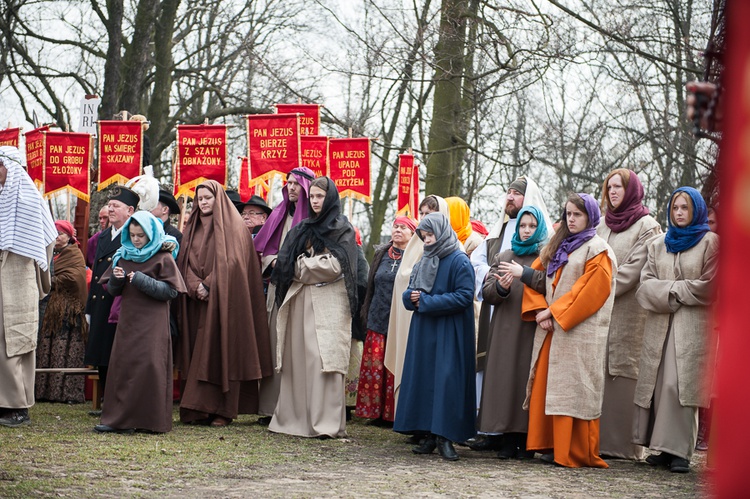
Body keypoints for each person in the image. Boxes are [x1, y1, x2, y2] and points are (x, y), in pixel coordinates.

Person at [520, 193, 616, 468]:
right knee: (547, 386)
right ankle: (548, 443)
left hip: (579, 332)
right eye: (568, 214)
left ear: (590, 217)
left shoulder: (599, 249)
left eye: (577, 214)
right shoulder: (558, 244)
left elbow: (591, 291)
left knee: (574, 389)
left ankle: (570, 450)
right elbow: (535, 278)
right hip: (551, 329)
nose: (571, 219)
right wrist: (541, 310)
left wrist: (554, 311)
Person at [633, 187, 718, 473]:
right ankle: (661, 448)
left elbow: (709, 287)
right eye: (675, 208)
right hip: (659, 325)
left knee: (681, 385)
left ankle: (680, 451)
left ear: (696, 210)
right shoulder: (658, 245)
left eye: (685, 208)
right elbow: (644, 288)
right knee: (658, 384)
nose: (679, 213)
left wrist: (668, 291)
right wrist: (680, 292)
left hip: (692, 327)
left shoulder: (710, 242)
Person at [176, 180, 272, 426]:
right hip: (195, 302)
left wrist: (209, 284)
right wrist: (194, 283)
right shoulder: (191, 226)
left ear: (218, 199)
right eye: (200, 198)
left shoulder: (235, 227)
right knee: (196, 353)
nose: (204, 202)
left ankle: (223, 410)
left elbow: (235, 262)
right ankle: (196, 409)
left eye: (208, 197)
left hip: (224, 302)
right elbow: (183, 260)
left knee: (221, 353)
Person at [269, 177, 359, 438]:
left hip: (330, 305)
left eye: (321, 196)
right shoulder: (301, 229)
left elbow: (334, 268)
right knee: (297, 360)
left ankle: (324, 423)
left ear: (330, 198)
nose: (316, 201)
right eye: (313, 197)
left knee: (323, 361)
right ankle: (293, 419)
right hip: (299, 303)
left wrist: (301, 266)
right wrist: (306, 265)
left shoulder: (343, 230)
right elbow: (284, 265)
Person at [469, 176, 553, 451]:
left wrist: (525, 274)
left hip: (529, 326)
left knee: (521, 376)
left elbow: (550, 284)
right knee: (500, 376)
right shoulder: (504, 254)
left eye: (531, 226)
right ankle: (498, 431)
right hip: (503, 324)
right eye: (523, 226)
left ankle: (521, 436)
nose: (526, 230)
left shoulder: (546, 256)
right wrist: (501, 288)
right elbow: (488, 289)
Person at [94, 212, 186, 433]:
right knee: (123, 365)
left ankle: (149, 421)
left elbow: (171, 291)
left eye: (140, 236)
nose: (136, 240)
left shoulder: (163, 257)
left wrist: (141, 279)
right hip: (128, 320)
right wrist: (116, 278)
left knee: (149, 367)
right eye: (133, 235)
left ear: (151, 234)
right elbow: (113, 290)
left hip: (153, 322)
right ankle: (118, 420)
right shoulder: (123, 255)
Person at [394, 213, 476, 461]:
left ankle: (446, 436)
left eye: (430, 236)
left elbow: (464, 296)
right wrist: (410, 298)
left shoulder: (459, 261)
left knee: (446, 382)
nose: (427, 241)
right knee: (427, 380)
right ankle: (428, 432)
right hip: (425, 331)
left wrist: (427, 301)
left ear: (441, 233)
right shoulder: (424, 260)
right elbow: (410, 292)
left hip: (449, 331)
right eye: (423, 236)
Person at [595, 169, 661, 460]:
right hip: (597, 313)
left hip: (627, 314)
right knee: (596, 371)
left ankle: (622, 446)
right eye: (609, 187)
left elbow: (633, 270)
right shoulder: (600, 225)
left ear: (632, 189)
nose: (613, 192)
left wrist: (592, 293)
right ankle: (592, 442)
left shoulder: (647, 226)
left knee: (622, 372)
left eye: (619, 186)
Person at [254, 167, 315, 423]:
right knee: (273, 342)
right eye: (288, 183)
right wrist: (274, 261)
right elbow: (262, 250)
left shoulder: (314, 219)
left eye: (296, 184)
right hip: (277, 286)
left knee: (295, 346)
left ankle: (294, 407)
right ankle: (270, 407)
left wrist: (293, 263)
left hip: (300, 286)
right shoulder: (278, 213)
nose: (290, 188)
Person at [0, 146, 56, 427]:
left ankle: (17, 405)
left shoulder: (31, 200)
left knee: (16, 340)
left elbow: (46, 244)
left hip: (19, 276)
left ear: (10, 168)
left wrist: (40, 282)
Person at [384, 195, 450, 418]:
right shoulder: (415, 244)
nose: (424, 218)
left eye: (430, 213)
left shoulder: (450, 247)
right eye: (422, 213)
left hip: (432, 315)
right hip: (408, 315)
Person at [355, 216, 416, 424]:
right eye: (395, 226)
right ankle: (374, 412)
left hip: (400, 318)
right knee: (375, 366)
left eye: (403, 228)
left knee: (393, 366)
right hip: (377, 316)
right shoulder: (381, 253)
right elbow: (371, 284)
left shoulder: (416, 256)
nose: (398, 230)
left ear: (412, 233)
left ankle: (393, 414)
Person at [84, 186, 139, 408]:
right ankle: (106, 399)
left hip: (119, 303)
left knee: (117, 353)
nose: (111, 209)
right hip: (100, 302)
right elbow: (96, 272)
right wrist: (89, 307)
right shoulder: (104, 235)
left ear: (130, 210)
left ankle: (117, 401)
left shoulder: (135, 235)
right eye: (110, 205)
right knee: (102, 353)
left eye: (116, 206)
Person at [35, 220, 88, 404]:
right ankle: (43, 390)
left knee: (64, 349)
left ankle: (66, 392)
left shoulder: (74, 254)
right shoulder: (46, 251)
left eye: (61, 233)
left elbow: (75, 278)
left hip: (68, 310)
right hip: (48, 308)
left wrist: (50, 280)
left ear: (69, 236)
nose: (57, 236)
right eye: (54, 232)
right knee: (46, 348)